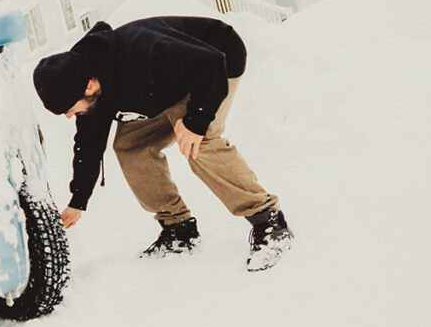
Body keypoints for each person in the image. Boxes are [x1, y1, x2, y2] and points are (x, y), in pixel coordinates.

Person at [32, 16, 293, 271]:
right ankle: (178, 228)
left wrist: (195, 122)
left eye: (68, 108)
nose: (68, 115)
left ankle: (269, 221)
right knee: (131, 146)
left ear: (89, 85)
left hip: (215, 62)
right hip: (163, 87)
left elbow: (210, 63)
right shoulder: (89, 90)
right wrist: (79, 199)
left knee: (198, 143)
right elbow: (88, 145)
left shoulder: (142, 52)